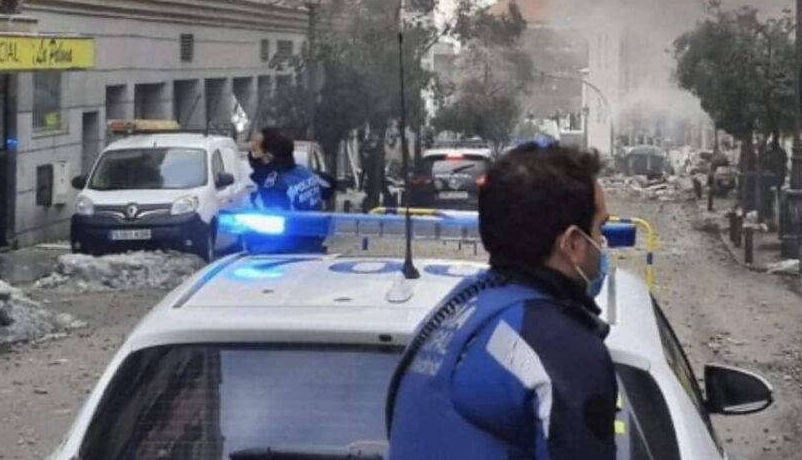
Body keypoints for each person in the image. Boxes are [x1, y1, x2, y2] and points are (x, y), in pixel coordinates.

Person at [386, 143, 616, 460]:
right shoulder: (559, 346)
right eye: (600, 228)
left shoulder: (462, 309)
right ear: (573, 243)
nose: (603, 245)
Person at [249, 129, 334, 211]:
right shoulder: (305, 172)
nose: (251, 153)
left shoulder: (272, 188)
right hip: (319, 225)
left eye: (254, 150)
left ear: (267, 158)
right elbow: (329, 185)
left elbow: (273, 219)